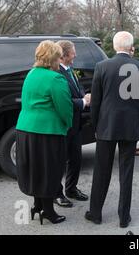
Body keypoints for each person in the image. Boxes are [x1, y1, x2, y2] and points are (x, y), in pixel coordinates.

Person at [86, 31, 139, 228]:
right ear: (131, 47)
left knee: (101, 170)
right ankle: (124, 216)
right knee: (126, 171)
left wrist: (94, 124)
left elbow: (95, 101)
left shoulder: (102, 66)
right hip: (129, 124)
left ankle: (95, 213)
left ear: (115, 46)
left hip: (106, 125)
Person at [16, 40, 73, 225]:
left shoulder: (31, 74)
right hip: (47, 132)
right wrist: (68, 125)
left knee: (35, 170)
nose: (60, 60)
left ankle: (37, 206)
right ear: (53, 58)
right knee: (50, 171)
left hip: (25, 129)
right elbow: (65, 107)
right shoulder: (55, 78)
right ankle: (48, 211)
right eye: (58, 57)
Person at [54, 40, 90, 208]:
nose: (75, 55)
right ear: (64, 55)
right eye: (73, 52)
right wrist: (83, 102)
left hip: (75, 124)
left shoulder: (70, 70)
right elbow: (64, 101)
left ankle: (71, 189)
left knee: (75, 158)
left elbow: (78, 87)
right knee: (60, 161)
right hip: (62, 123)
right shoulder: (56, 73)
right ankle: (57, 193)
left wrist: (84, 96)